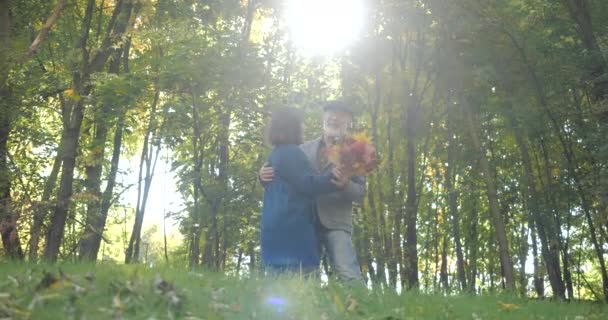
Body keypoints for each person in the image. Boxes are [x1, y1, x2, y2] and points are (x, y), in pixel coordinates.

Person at [260, 101, 365, 282]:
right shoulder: (301, 148)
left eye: (340, 114)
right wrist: (262, 177)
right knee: (307, 275)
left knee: (346, 270)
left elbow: (360, 192)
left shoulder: (355, 152)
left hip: (335, 223)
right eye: (330, 113)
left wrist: (346, 183)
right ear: (323, 118)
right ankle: (313, 309)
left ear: (349, 121)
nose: (334, 117)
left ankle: (363, 308)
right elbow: (286, 178)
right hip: (304, 224)